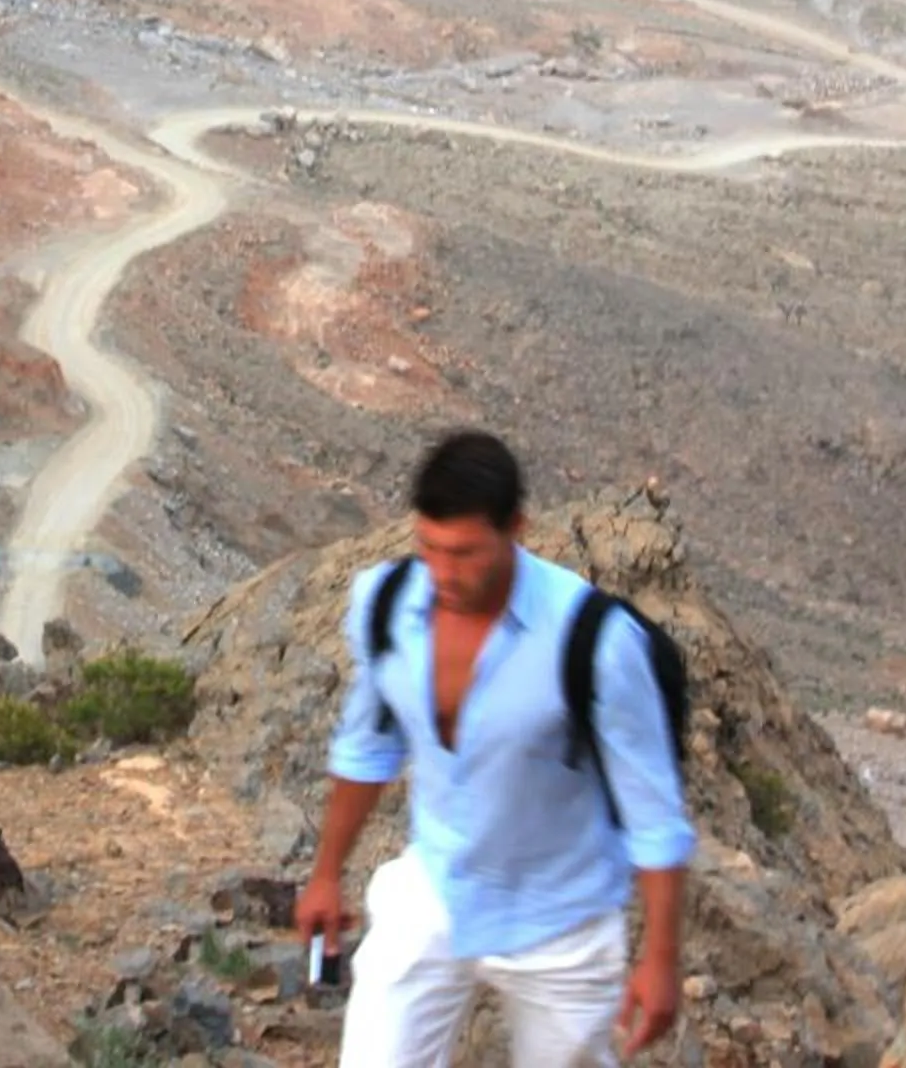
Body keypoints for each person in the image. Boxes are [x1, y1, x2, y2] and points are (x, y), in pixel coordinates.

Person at [294, 431, 694, 1066]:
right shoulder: (388, 603)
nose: (444, 573)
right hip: (436, 888)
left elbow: (655, 818)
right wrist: (324, 875)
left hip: (562, 921)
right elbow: (367, 748)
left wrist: (662, 960)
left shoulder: (597, 642)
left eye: (466, 553)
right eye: (429, 548)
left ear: (517, 529)